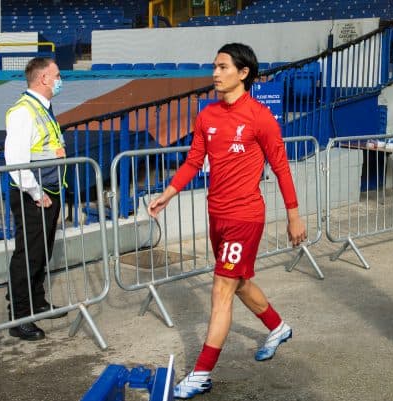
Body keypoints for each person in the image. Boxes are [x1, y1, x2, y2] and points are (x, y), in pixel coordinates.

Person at [148, 43, 306, 399]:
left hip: (245, 217)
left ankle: (201, 374)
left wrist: (294, 216)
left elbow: (281, 168)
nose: (215, 73)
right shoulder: (207, 116)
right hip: (216, 215)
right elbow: (193, 162)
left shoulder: (260, 117)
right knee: (239, 282)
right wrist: (168, 193)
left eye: (222, 67)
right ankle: (278, 327)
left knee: (222, 290)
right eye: (214, 67)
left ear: (243, 72)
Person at [4, 57, 68, 341]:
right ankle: (19, 317)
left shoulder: (44, 108)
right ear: (43, 78)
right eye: (56, 74)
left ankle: (37, 301)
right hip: (33, 194)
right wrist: (36, 192)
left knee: (42, 251)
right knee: (28, 254)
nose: (59, 79)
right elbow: (16, 161)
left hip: (49, 191)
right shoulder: (23, 112)